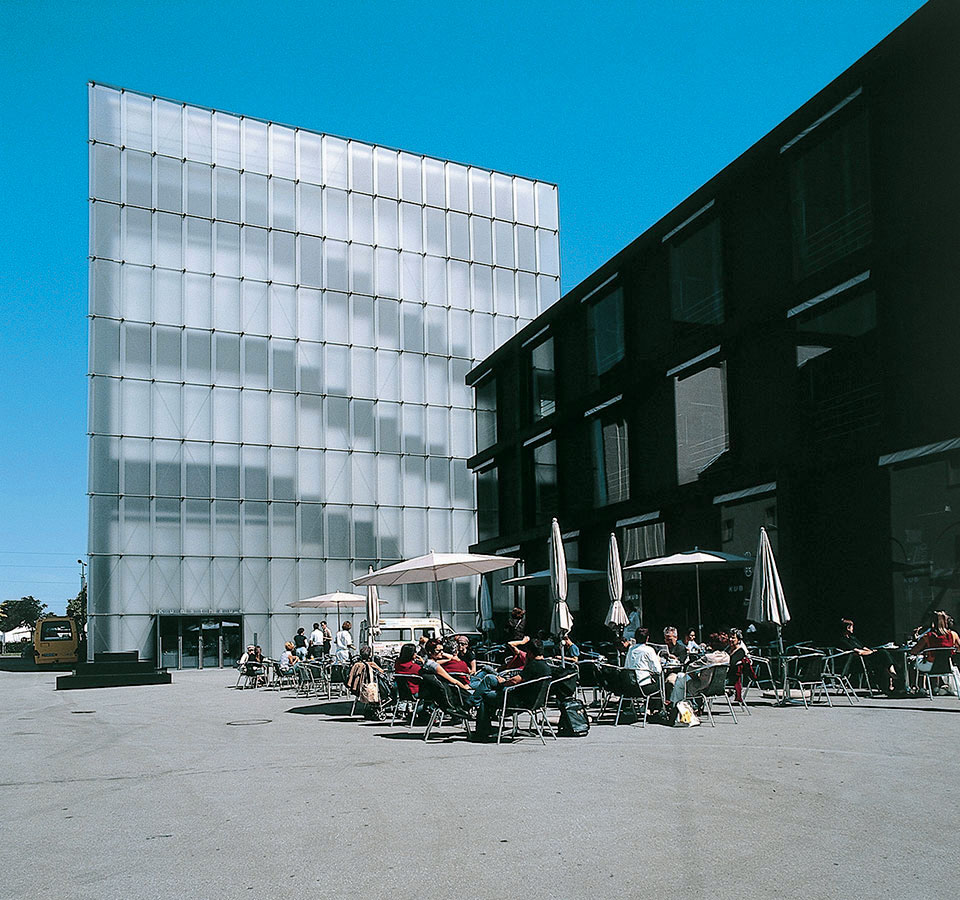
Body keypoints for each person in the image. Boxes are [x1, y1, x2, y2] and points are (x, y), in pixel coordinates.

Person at [474, 638, 551, 741]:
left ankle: (482, 732)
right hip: (535, 701)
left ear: (530, 652)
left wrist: (503, 682)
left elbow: (515, 680)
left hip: (519, 701)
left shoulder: (533, 665)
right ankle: (481, 717)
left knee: (485, 696)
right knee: (490, 682)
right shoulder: (546, 666)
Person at [839, 617, 905, 696]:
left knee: (883, 655)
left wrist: (872, 650)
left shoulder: (853, 638)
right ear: (848, 628)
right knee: (883, 654)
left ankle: (893, 675)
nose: (853, 629)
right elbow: (858, 652)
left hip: (867, 658)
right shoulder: (843, 640)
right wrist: (871, 652)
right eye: (852, 627)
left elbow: (863, 647)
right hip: (857, 662)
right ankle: (894, 675)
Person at [669, 637, 730, 706]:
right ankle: (677, 704)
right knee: (682, 680)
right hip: (718, 687)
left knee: (680, 676)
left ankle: (675, 705)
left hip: (703, 687)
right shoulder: (726, 657)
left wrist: (695, 678)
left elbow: (689, 669)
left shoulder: (708, 658)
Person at [910, 611, 960, 693]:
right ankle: (936, 687)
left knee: (914, 662)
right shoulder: (953, 634)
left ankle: (919, 687)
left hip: (931, 666)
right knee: (936, 662)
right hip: (947, 665)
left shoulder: (927, 636)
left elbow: (914, 651)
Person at [347, 646, 387, 719]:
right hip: (371, 688)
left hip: (359, 688)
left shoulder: (357, 665)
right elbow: (382, 672)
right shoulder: (371, 664)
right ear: (370, 655)